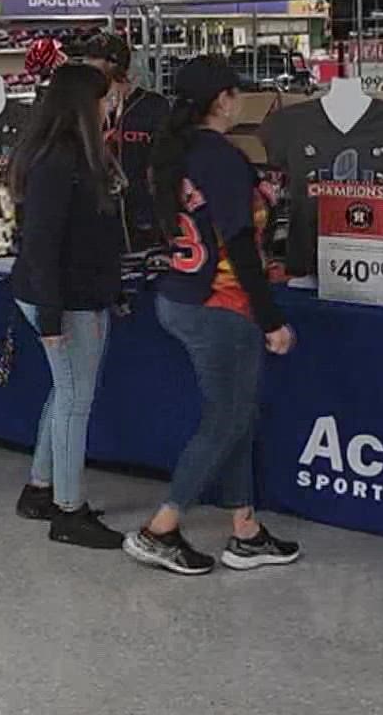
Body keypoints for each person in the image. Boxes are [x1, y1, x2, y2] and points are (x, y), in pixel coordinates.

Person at [123, 56, 301, 576]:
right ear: (222, 100)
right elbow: (242, 248)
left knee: (237, 413)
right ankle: (162, 526)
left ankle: (244, 528)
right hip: (219, 305)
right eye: (235, 93)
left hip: (179, 295)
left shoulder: (171, 152)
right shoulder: (220, 158)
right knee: (226, 419)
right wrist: (271, 321)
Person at [7, 64, 126, 549]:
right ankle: (69, 510)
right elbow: (41, 242)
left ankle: (40, 487)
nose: (109, 107)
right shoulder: (59, 161)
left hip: (74, 292)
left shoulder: (75, 155)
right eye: (104, 100)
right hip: (61, 297)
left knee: (64, 392)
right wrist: (52, 316)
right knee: (76, 400)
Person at [70, 32, 168, 251]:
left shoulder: (154, 107)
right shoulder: (85, 110)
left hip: (146, 220)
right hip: (99, 221)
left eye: (97, 73)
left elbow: (165, 165)